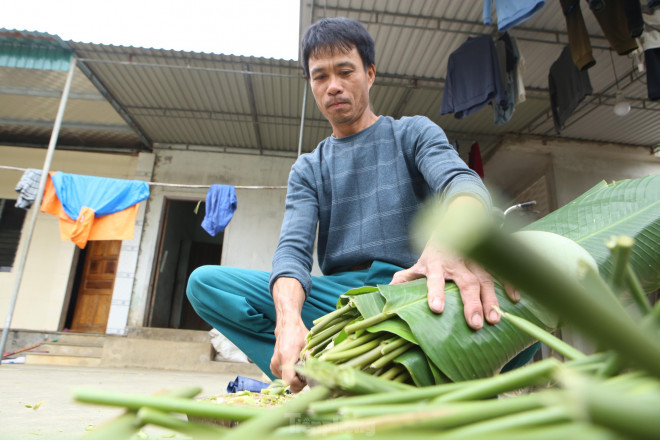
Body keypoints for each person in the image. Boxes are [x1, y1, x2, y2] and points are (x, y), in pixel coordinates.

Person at [187, 17, 519, 393]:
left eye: (346, 72)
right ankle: (321, 376)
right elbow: (292, 253)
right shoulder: (309, 168)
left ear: (370, 73)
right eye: (320, 77)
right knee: (205, 285)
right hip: (341, 301)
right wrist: (289, 320)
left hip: (414, 287)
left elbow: (462, 183)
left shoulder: (413, 133)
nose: (333, 87)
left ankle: (432, 379)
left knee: (521, 289)